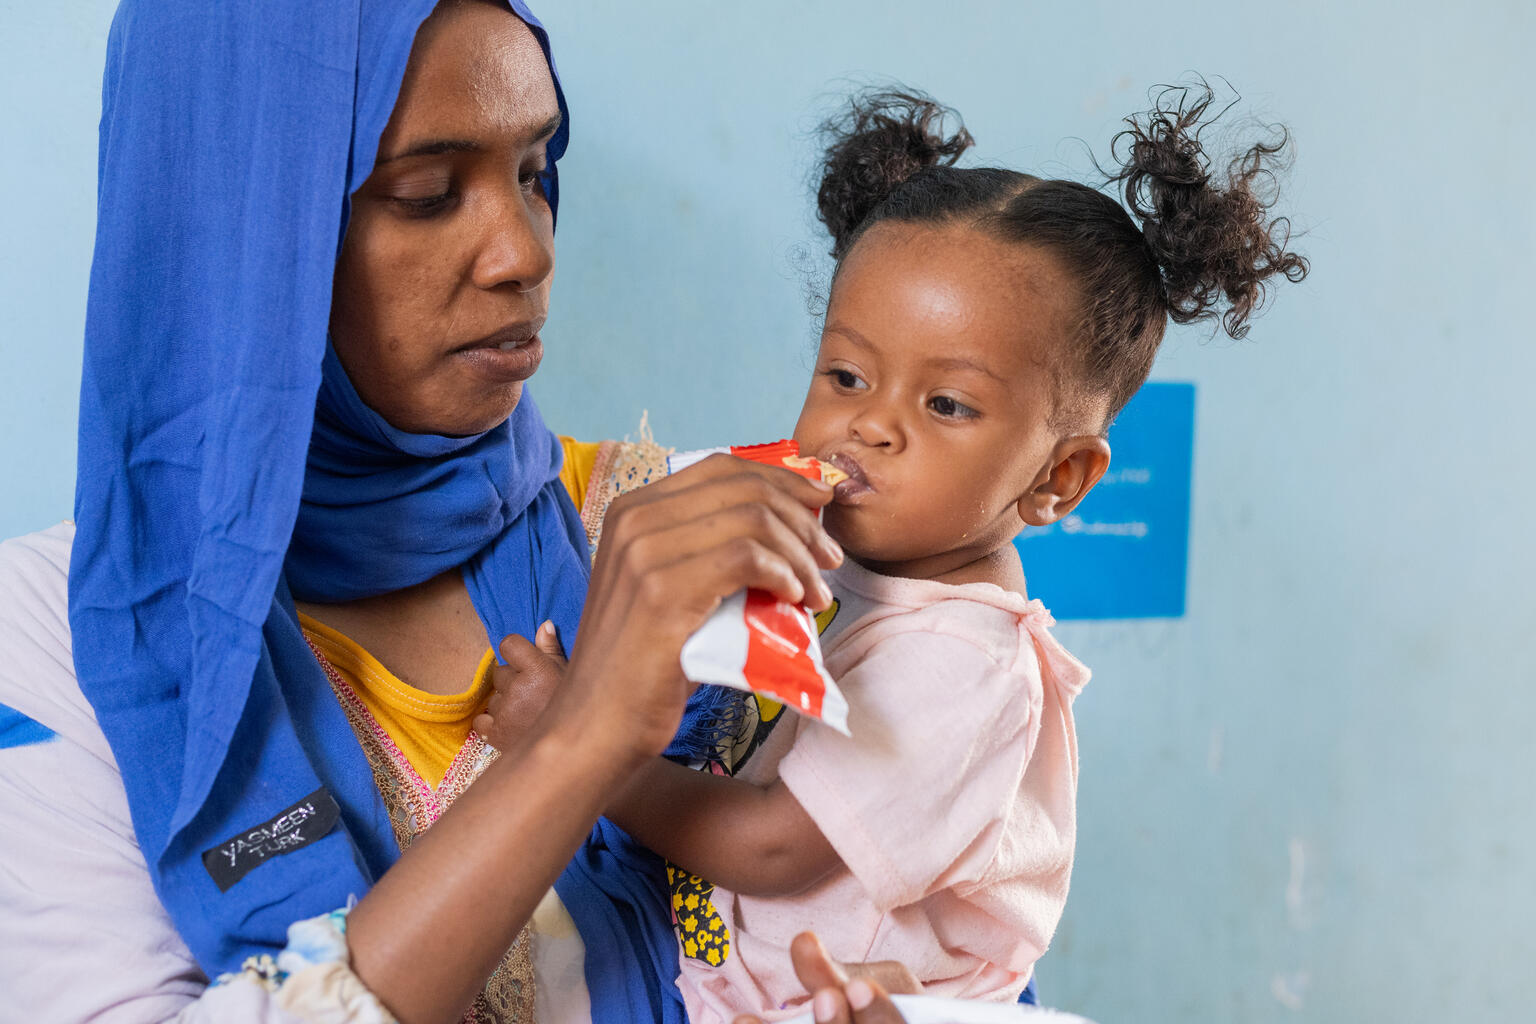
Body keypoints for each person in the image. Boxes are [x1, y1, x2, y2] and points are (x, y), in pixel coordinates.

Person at [0, 3, 920, 1022]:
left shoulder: (682, 532)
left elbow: (924, 910)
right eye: (428, 194)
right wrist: (585, 739)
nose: (523, 253)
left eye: (534, 172)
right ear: (241, 230)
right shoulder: (68, 643)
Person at [479, 87, 1307, 1023]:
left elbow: (770, 849)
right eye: (845, 375)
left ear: (1059, 480)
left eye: (945, 405)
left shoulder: (964, 666)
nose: (868, 425)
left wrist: (573, 741)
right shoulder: (851, 554)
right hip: (721, 962)